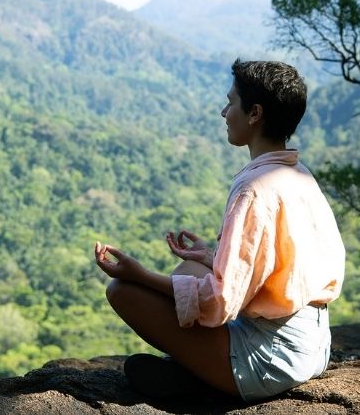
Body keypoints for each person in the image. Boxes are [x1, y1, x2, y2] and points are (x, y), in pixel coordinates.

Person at [94, 59, 345, 402]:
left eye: (231, 103)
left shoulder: (254, 189)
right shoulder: (296, 173)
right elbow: (283, 268)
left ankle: (203, 381)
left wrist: (140, 275)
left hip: (270, 361)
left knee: (122, 290)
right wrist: (213, 257)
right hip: (312, 346)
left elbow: (220, 303)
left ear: (254, 114)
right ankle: (199, 369)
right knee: (192, 268)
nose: (224, 112)